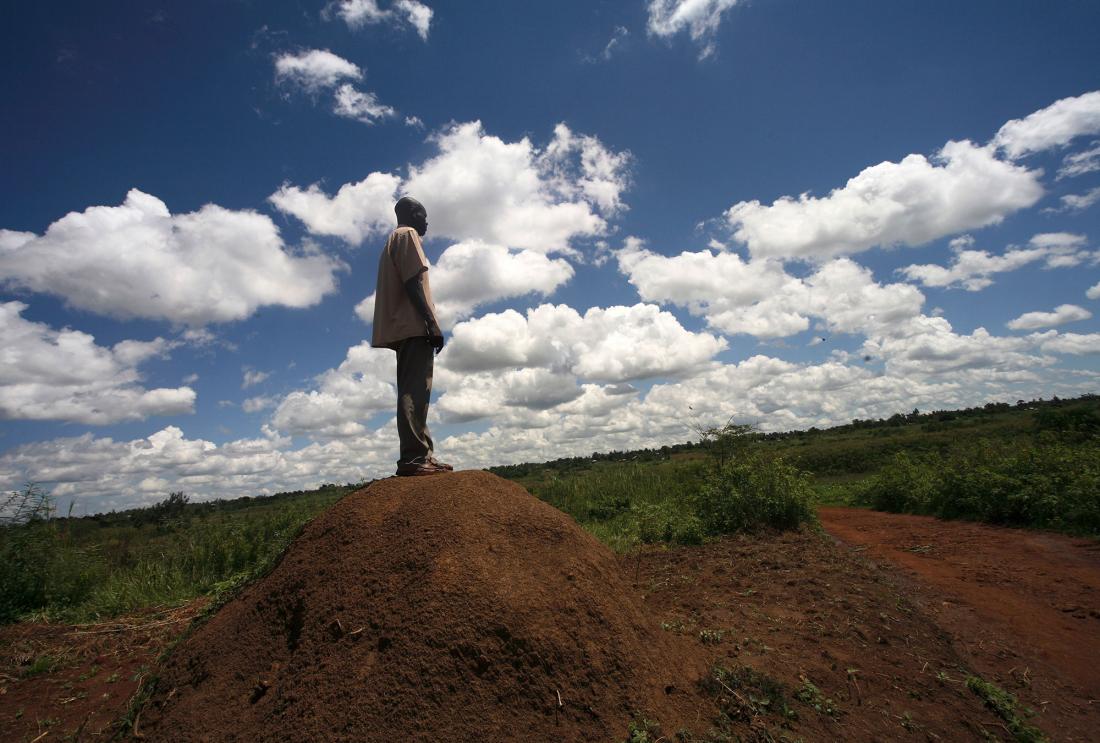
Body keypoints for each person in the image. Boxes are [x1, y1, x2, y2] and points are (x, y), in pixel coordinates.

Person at [371, 197, 453, 476]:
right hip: (414, 327)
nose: (426, 221)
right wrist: (431, 322)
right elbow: (411, 281)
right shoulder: (407, 235)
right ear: (412, 213)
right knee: (414, 390)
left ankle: (421, 453)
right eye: (423, 215)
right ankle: (415, 458)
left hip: (405, 328)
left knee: (415, 389)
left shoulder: (393, 240)